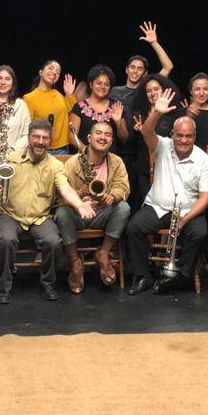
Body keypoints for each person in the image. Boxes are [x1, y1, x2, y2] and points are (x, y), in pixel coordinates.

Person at [0, 120, 95, 304]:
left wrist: (79, 205)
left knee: (53, 241)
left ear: (50, 142)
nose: (40, 141)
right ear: (29, 138)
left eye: (45, 138)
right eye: (36, 137)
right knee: (6, 239)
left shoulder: (55, 165)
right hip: (10, 214)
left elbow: (64, 188)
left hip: (40, 217)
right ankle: (4, 286)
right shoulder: (11, 159)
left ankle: (48, 284)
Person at [125, 88, 208, 296]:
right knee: (133, 228)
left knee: (200, 233)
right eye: (179, 135)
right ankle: (143, 276)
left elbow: (206, 198)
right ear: (172, 134)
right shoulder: (163, 146)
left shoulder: (204, 160)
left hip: (188, 211)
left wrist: (185, 218)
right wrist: (156, 112)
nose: (183, 140)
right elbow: (146, 131)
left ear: (195, 137)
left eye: (188, 136)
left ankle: (180, 276)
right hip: (158, 208)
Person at [55, 121, 131, 293]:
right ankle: (75, 261)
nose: (103, 137)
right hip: (78, 214)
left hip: (102, 213)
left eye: (107, 135)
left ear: (111, 141)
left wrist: (113, 196)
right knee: (61, 213)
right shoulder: (72, 163)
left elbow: (123, 186)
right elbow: (59, 196)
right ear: (89, 138)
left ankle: (103, 253)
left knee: (124, 208)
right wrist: (79, 194)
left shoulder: (116, 162)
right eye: (98, 133)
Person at [176, 73, 208, 266]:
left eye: (205, 88)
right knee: (191, 212)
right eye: (197, 89)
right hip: (189, 170)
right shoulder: (183, 112)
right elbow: (174, 137)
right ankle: (188, 259)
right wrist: (187, 115)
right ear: (191, 91)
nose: (201, 92)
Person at [125, 74, 181, 211]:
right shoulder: (139, 114)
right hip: (143, 169)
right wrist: (137, 132)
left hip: (167, 169)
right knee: (145, 209)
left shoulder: (174, 112)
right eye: (148, 91)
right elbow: (131, 146)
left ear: (163, 90)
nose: (153, 93)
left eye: (156, 89)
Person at [110, 22, 175, 105]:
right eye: (132, 67)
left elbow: (168, 67)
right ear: (126, 70)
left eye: (140, 69)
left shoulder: (148, 90)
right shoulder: (114, 91)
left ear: (145, 73)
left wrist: (154, 43)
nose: (135, 71)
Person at [23, 59, 78, 155]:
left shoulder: (60, 96)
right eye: (50, 68)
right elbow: (26, 128)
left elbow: (75, 115)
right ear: (41, 72)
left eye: (58, 72)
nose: (54, 72)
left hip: (62, 149)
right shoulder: (29, 98)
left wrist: (69, 95)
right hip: (40, 148)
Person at [69, 64, 129, 150]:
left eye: (106, 84)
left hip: (110, 156)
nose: (102, 87)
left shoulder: (116, 108)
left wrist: (118, 123)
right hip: (85, 156)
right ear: (91, 85)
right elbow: (72, 137)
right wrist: (88, 152)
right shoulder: (79, 108)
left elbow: (124, 139)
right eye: (99, 83)